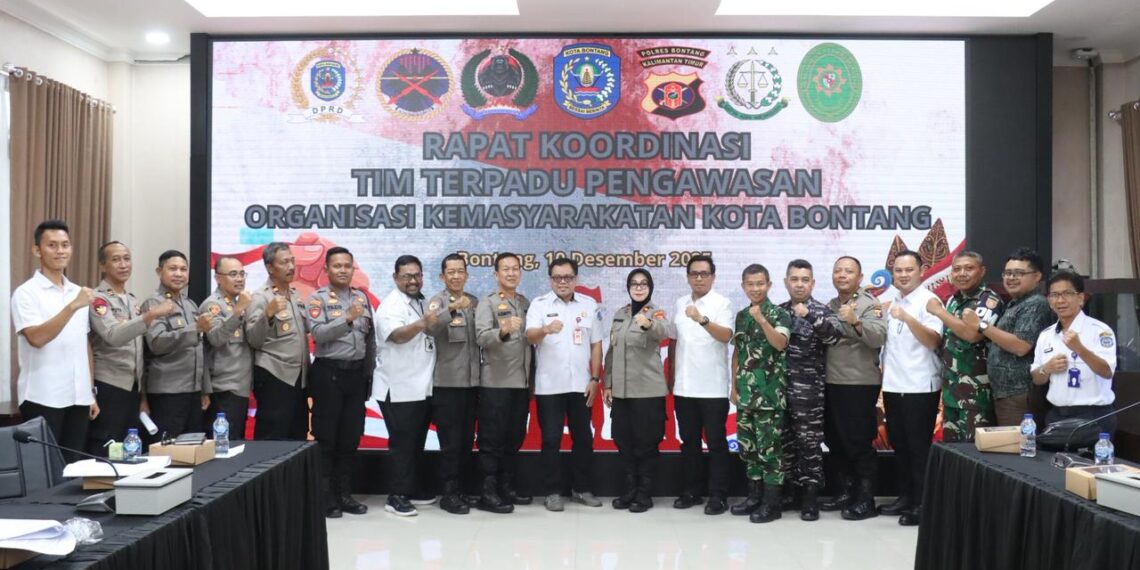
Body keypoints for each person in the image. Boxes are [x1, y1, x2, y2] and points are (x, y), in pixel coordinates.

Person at [11, 220, 97, 459]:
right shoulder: (26, 293)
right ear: (37, 250)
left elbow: (84, 345)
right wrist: (72, 307)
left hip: (78, 397)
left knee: (73, 471)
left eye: (65, 245)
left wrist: (89, 392)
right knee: (44, 473)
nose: (60, 250)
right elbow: (36, 338)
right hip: (43, 395)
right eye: (52, 245)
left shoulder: (77, 291)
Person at [526, 258, 604, 512]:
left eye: (568, 277)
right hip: (550, 385)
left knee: (583, 438)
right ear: (550, 280)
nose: (563, 282)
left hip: (582, 384)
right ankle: (552, 491)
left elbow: (596, 344)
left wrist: (595, 379)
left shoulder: (589, 305)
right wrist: (546, 329)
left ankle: (582, 488)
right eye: (558, 277)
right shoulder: (539, 305)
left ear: (576, 279)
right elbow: (529, 336)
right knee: (551, 439)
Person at [87, 241, 175, 454]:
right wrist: (151, 314)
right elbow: (113, 336)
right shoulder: (98, 299)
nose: (123, 264)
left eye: (127, 258)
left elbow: (139, 352)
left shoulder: (132, 300)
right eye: (116, 259)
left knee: (131, 451)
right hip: (108, 385)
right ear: (102, 265)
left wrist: (142, 396)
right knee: (108, 449)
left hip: (132, 389)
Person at [306, 247, 375, 518]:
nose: (343, 270)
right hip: (329, 374)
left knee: (350, 438)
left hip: (356, 376)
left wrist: (368, 374)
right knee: (327, 439)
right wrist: (347, 318)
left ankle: (345, 494)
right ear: (326, 270)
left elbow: (370, 341)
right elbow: (319, 334)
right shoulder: (317, 299)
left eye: (348, 265)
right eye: (337, 266)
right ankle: (326, 498)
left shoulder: (361, 297)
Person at [880, 250, 944, 527]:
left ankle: (922, 503)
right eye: (898, 270)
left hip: (920, 385)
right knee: (900, 445)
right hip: (894, 385)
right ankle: (904, 496)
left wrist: (907, 318)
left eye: (909, 270)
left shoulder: (929, 301)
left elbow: (932, 340)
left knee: (918, 448)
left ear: (921, 271)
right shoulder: (893, 300)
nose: (903, 275)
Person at [821, 256, 887, 521]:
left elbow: (879, 337)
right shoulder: (830, 305)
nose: (842, 275)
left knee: (859, 442)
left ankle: (866, 499)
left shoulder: (869, 304)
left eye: (849, 271)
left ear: (859, 278)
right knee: (835, 440)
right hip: (831, 382)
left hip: (859, 383)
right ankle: (846, 492)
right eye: (838, 270)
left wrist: (855, 322)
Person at [668, 254, 735, 515]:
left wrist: (702, 319)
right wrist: (671, 378)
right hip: (684, 387)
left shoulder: (722, 303)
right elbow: (674, 341)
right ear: (687, 277)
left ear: (713, 277)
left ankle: (718, 495)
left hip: (712, 386)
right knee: (689, 441)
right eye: (694, 273)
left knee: (717, 442)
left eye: (704, 274)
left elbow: (726, 336)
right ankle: (691, 491)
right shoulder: (679, 302)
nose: (698, 278)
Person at [777, 259, 842, 521]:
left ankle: (810, 496)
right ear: (786, 282)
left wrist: (810, 316)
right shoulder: (778, 311)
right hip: (781, 390)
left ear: (813, 283)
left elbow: (833, 338)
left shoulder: (821, 311)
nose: (800, 284)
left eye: (805, 279)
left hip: (810, 393)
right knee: (786, 443)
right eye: (795, 279)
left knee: (809, 445)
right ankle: (791, 491)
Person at [603, 268, 672, 513]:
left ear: (650, 288)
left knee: (646, 444)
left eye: (644, 284)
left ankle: (644, 493)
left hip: (647, 392)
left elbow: (666, 332)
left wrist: (649, 324)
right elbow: (611, 351)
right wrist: (608, 383)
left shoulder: (656, 312)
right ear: (629, 287)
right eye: (634, 283)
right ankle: (629, 490)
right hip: (621, 392)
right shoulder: (620, 314)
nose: (639, 287)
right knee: (624, 442)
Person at [374, 254, 436, 517]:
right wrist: (423, 323)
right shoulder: (391, 305)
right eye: (407, 276)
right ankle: (396, 495)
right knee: (402, 444)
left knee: (415, 442)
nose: (413, 280)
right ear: (395, 277)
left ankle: (411, 488)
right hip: (398, 387)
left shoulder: (419, 301)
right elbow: (397, 336)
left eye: (417, 275)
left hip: (419, 385)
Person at [729, 264, 791, 524]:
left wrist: (762, 320)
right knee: (749, 449)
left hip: (769, 397)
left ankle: (772, 504)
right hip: (745, 394)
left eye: (760, 283)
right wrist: (733, 385)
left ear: (769, 285)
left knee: (770, 452)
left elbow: (781, 343)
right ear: (743, 286)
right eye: (750, 284)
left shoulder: (779, 314)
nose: (755, 288)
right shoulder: (741, 316)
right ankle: (754, 497)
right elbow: (737, 353)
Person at [473, 252, 533, 514]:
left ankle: (506, 486)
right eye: (505, 269)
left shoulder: (524, 302)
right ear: (496, 274)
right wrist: (504, 329)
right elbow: (481, 338)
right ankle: (488, 491)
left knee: (514, 437)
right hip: (495, 382)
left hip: (521, 382)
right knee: (491, 439)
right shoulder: (487, 303)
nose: (511, 273)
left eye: (515, 268)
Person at [927, 251, 1004, 442]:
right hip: (952, 392)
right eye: (957, 269)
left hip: (976, 395)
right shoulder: (954, 300)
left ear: (982, 271)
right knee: (953, 454)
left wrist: (939, 312)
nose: (962, 273)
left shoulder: (988, 300)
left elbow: (973, 335)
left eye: (969, 268)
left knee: (974, 452)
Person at [424, 253, 481, 515]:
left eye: (461, 271)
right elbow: (431, 329)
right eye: (451, 272)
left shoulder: (475, 302)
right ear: (442, 276)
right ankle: (448, 493)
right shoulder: (437, 302)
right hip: (447, 384)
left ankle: (462, 489)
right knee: (450, 441)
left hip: (472, 383)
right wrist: (452, 309)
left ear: (467, 275)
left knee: (467, 440)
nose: (456, 276)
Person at [1031, 270, 1119, 434]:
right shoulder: (1046, 335)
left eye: (1067, 294)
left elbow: (1107, 372)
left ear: (1080, 298)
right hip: (1056, 415)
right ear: (1049, 301)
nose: (1060, 300)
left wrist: (1080, 348)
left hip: (1093, 416)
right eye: (1054, 295)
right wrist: (1047, 368)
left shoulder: (1100, 331)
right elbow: (1037, 378)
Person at [140, 250, 210, 439]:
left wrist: (204, 390)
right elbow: (157, 343)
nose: (179, 274)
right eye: (173, 269)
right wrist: (194, 329)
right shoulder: (153, 304)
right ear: (159, 272)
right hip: (167, 393)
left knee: (193, 450)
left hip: (193, 392)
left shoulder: (191, 305)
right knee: (167, 452)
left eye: (183, 269)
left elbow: (200, 349)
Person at [246, 242, 310, 440]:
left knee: (297, 434)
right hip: (274, 374)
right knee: (273, 435)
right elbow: (253, 339)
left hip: (298, 377)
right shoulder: (260, 297)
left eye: (292, 261)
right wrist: (268, 314)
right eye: (285, 262)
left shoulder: (295, 295)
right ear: (270, 267)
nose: (291, 266)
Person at [983, 248, 1053, 426]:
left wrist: (980, 325)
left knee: (1018, 448)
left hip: (1019, 393)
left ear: (1037, 277)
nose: (1011, 278)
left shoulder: (1036, 304)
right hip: (1006, 393)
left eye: (1019, 273)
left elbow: (1021, 346)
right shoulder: (1016, 303)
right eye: (1007, 273)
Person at [199, 256, 253, 442]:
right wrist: (238, 312)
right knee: (222, 446)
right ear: (218, 278)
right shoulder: (213, 305)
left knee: (236, 443)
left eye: (241, 274)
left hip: (240, 387)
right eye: (232, 274)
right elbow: (216, 338)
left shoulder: (236, 303)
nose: (239, 279)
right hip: (224, 389)